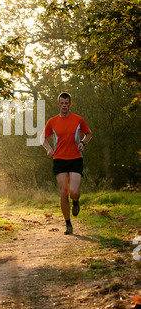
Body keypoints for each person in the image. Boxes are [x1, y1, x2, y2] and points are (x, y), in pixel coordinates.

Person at [41, 92, 92, 234]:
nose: (64, 105)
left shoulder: (78, 119)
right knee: (63, 193)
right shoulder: (52, 122)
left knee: (74, 192)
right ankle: (68, 224)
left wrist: (83, 142)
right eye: (61, 103)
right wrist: (49, 149)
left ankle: (75, 202)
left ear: (70, 104)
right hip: (59, 159)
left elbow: (88, 133)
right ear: (58, 104)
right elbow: (43, 138)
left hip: (76, 158)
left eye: (66, 103)